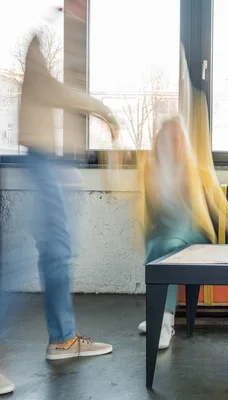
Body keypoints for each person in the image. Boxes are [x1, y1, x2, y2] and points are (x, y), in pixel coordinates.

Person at [10, 10, 120, 369]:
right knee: (23, 265)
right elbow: (58, 93)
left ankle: (63, 339)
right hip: (41, 164)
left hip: (49, 166)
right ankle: (62, 338)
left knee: (54, 256)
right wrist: (105, 111)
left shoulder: (45, 59)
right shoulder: (37, 55)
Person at [136, 91, 228, 349]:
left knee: (169, 249)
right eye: (165, 138)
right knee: (156, 245)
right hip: (165, 232)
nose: (170, 143)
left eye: (175, 138)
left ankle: (165, 321)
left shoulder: (195, 171)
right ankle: (157, 314)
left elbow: (215, 206)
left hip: (193, 233)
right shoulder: (152, 172)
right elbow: (151, 212)